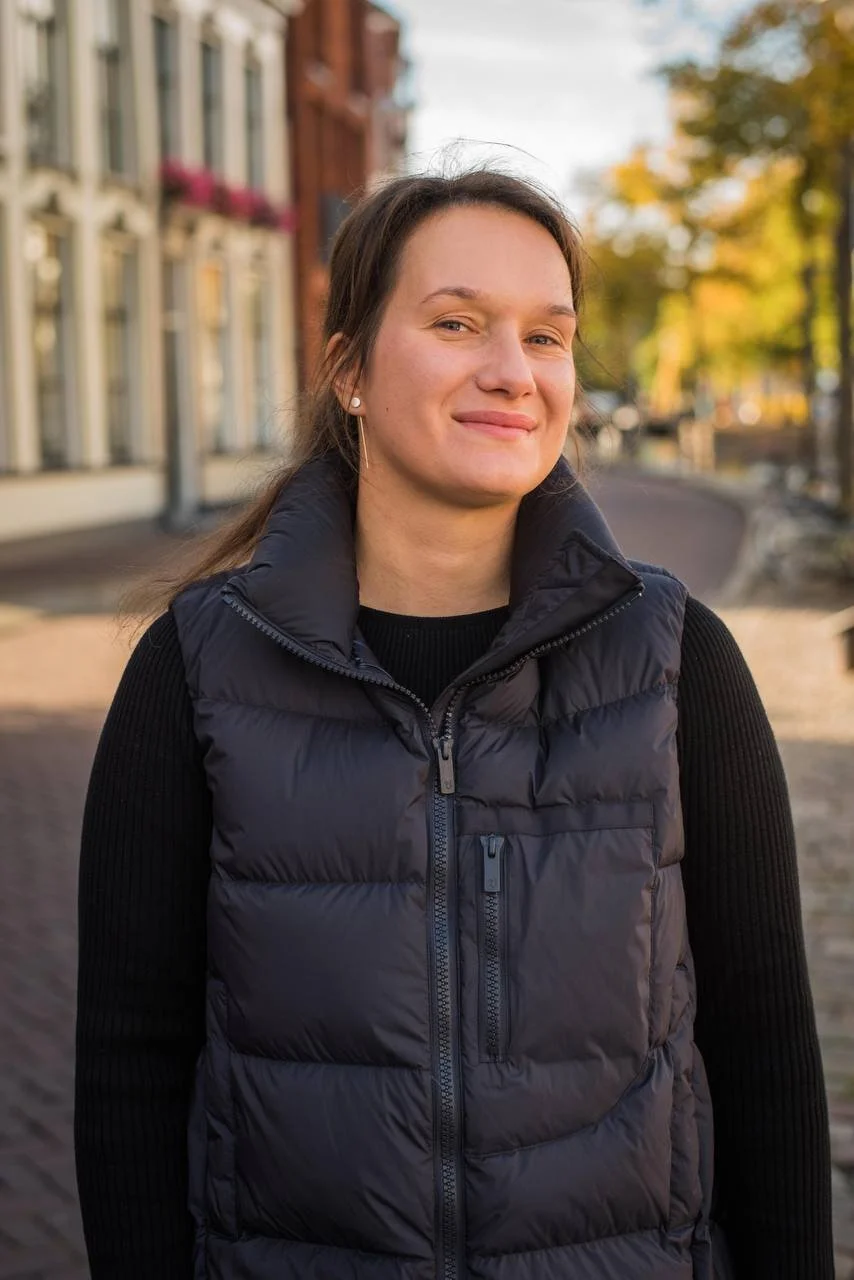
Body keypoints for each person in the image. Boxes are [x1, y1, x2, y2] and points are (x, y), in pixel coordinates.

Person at [75, 170, 833, 1280]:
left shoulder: (676, 658)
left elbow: (764, 1046)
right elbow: (132, 1066)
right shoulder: (197, 668)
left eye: (545, 336)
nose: (510, 372)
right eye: (456, 322)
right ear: (348, 371)